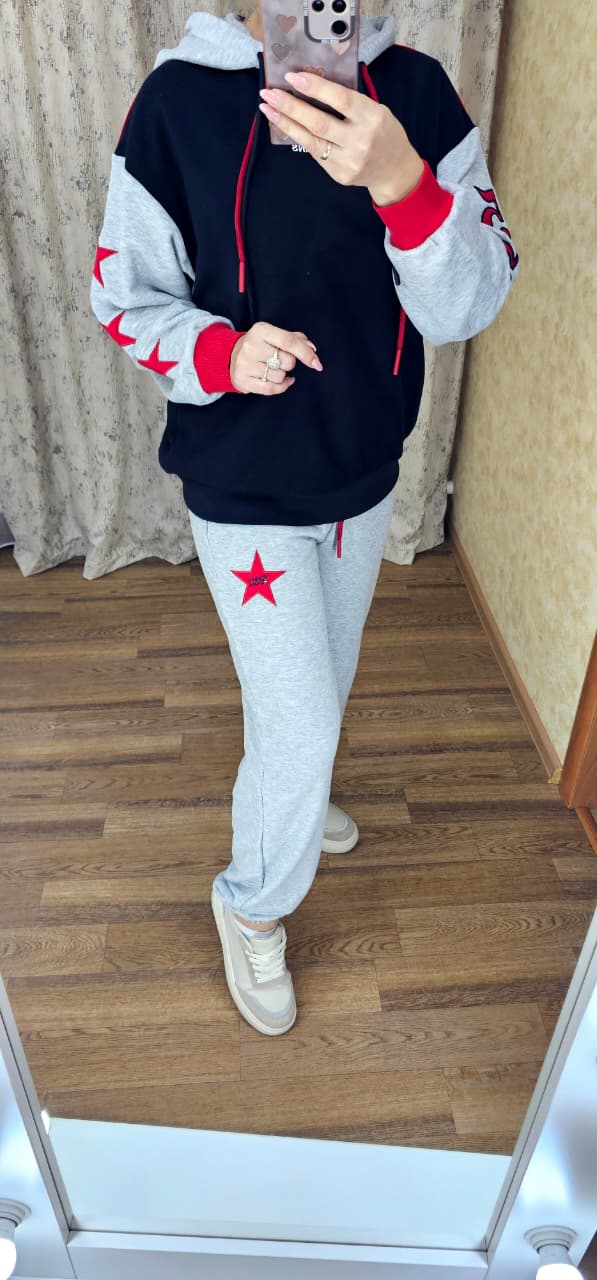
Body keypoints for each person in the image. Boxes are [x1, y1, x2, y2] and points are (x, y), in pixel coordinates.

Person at [90, 6, 520, 1038]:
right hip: (241, 485)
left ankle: (295, 786)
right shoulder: (178, 102)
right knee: (302, 717)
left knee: (323, 676)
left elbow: (469, 302)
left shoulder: (415, 92)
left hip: (361, 473)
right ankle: (252, 901)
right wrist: (219, 352)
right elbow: (122, 296)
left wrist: (403, 183)